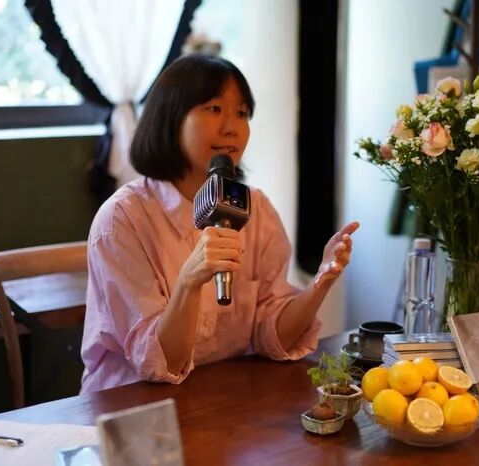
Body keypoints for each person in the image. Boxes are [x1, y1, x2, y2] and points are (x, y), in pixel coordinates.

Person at [80, 54, 358, 392]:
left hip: (222, 397)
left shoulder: (256, 208)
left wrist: (320, 283)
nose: (232, 128)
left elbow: (272, 334)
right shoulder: (122, 219)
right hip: (131, 404)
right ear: (170, 118)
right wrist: (189, 282)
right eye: (214, 109)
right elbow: (158, 363)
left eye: (242, 113)